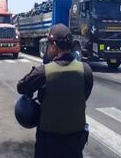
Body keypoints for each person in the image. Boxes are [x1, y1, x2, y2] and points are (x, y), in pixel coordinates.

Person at [17, 24, 93, 158]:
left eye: (49, 45)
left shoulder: (43, 71)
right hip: (74, 142)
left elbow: (21, 87)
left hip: (48, 141)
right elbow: (84, 96)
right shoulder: (86, 70)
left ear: (54, 46)